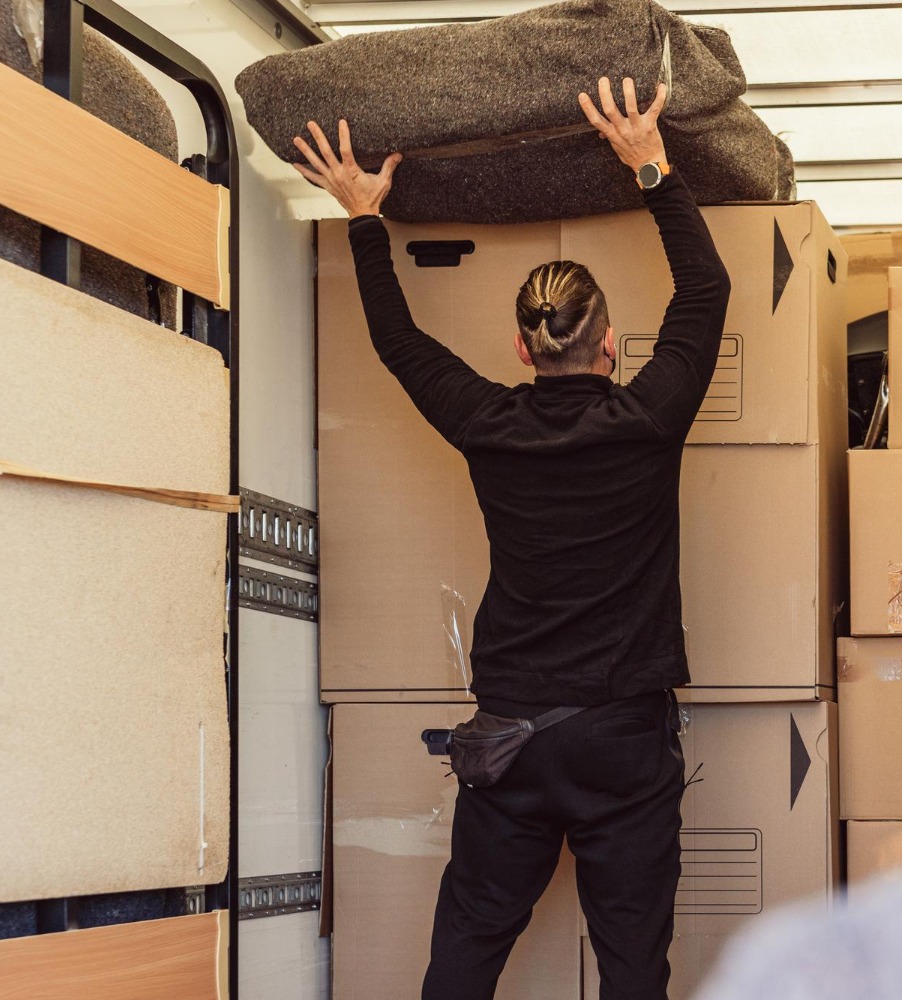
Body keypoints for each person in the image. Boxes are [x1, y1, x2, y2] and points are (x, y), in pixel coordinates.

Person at [293, 75, 731, 1000]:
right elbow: (707, 287)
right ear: (609, 344)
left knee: (467, 950)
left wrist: (366, 217)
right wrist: (649, 164)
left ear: (524, 349)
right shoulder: (650, 416)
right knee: (633, 966)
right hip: (622, 735)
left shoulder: (488, 424)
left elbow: (400, 341)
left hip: (513, 735)